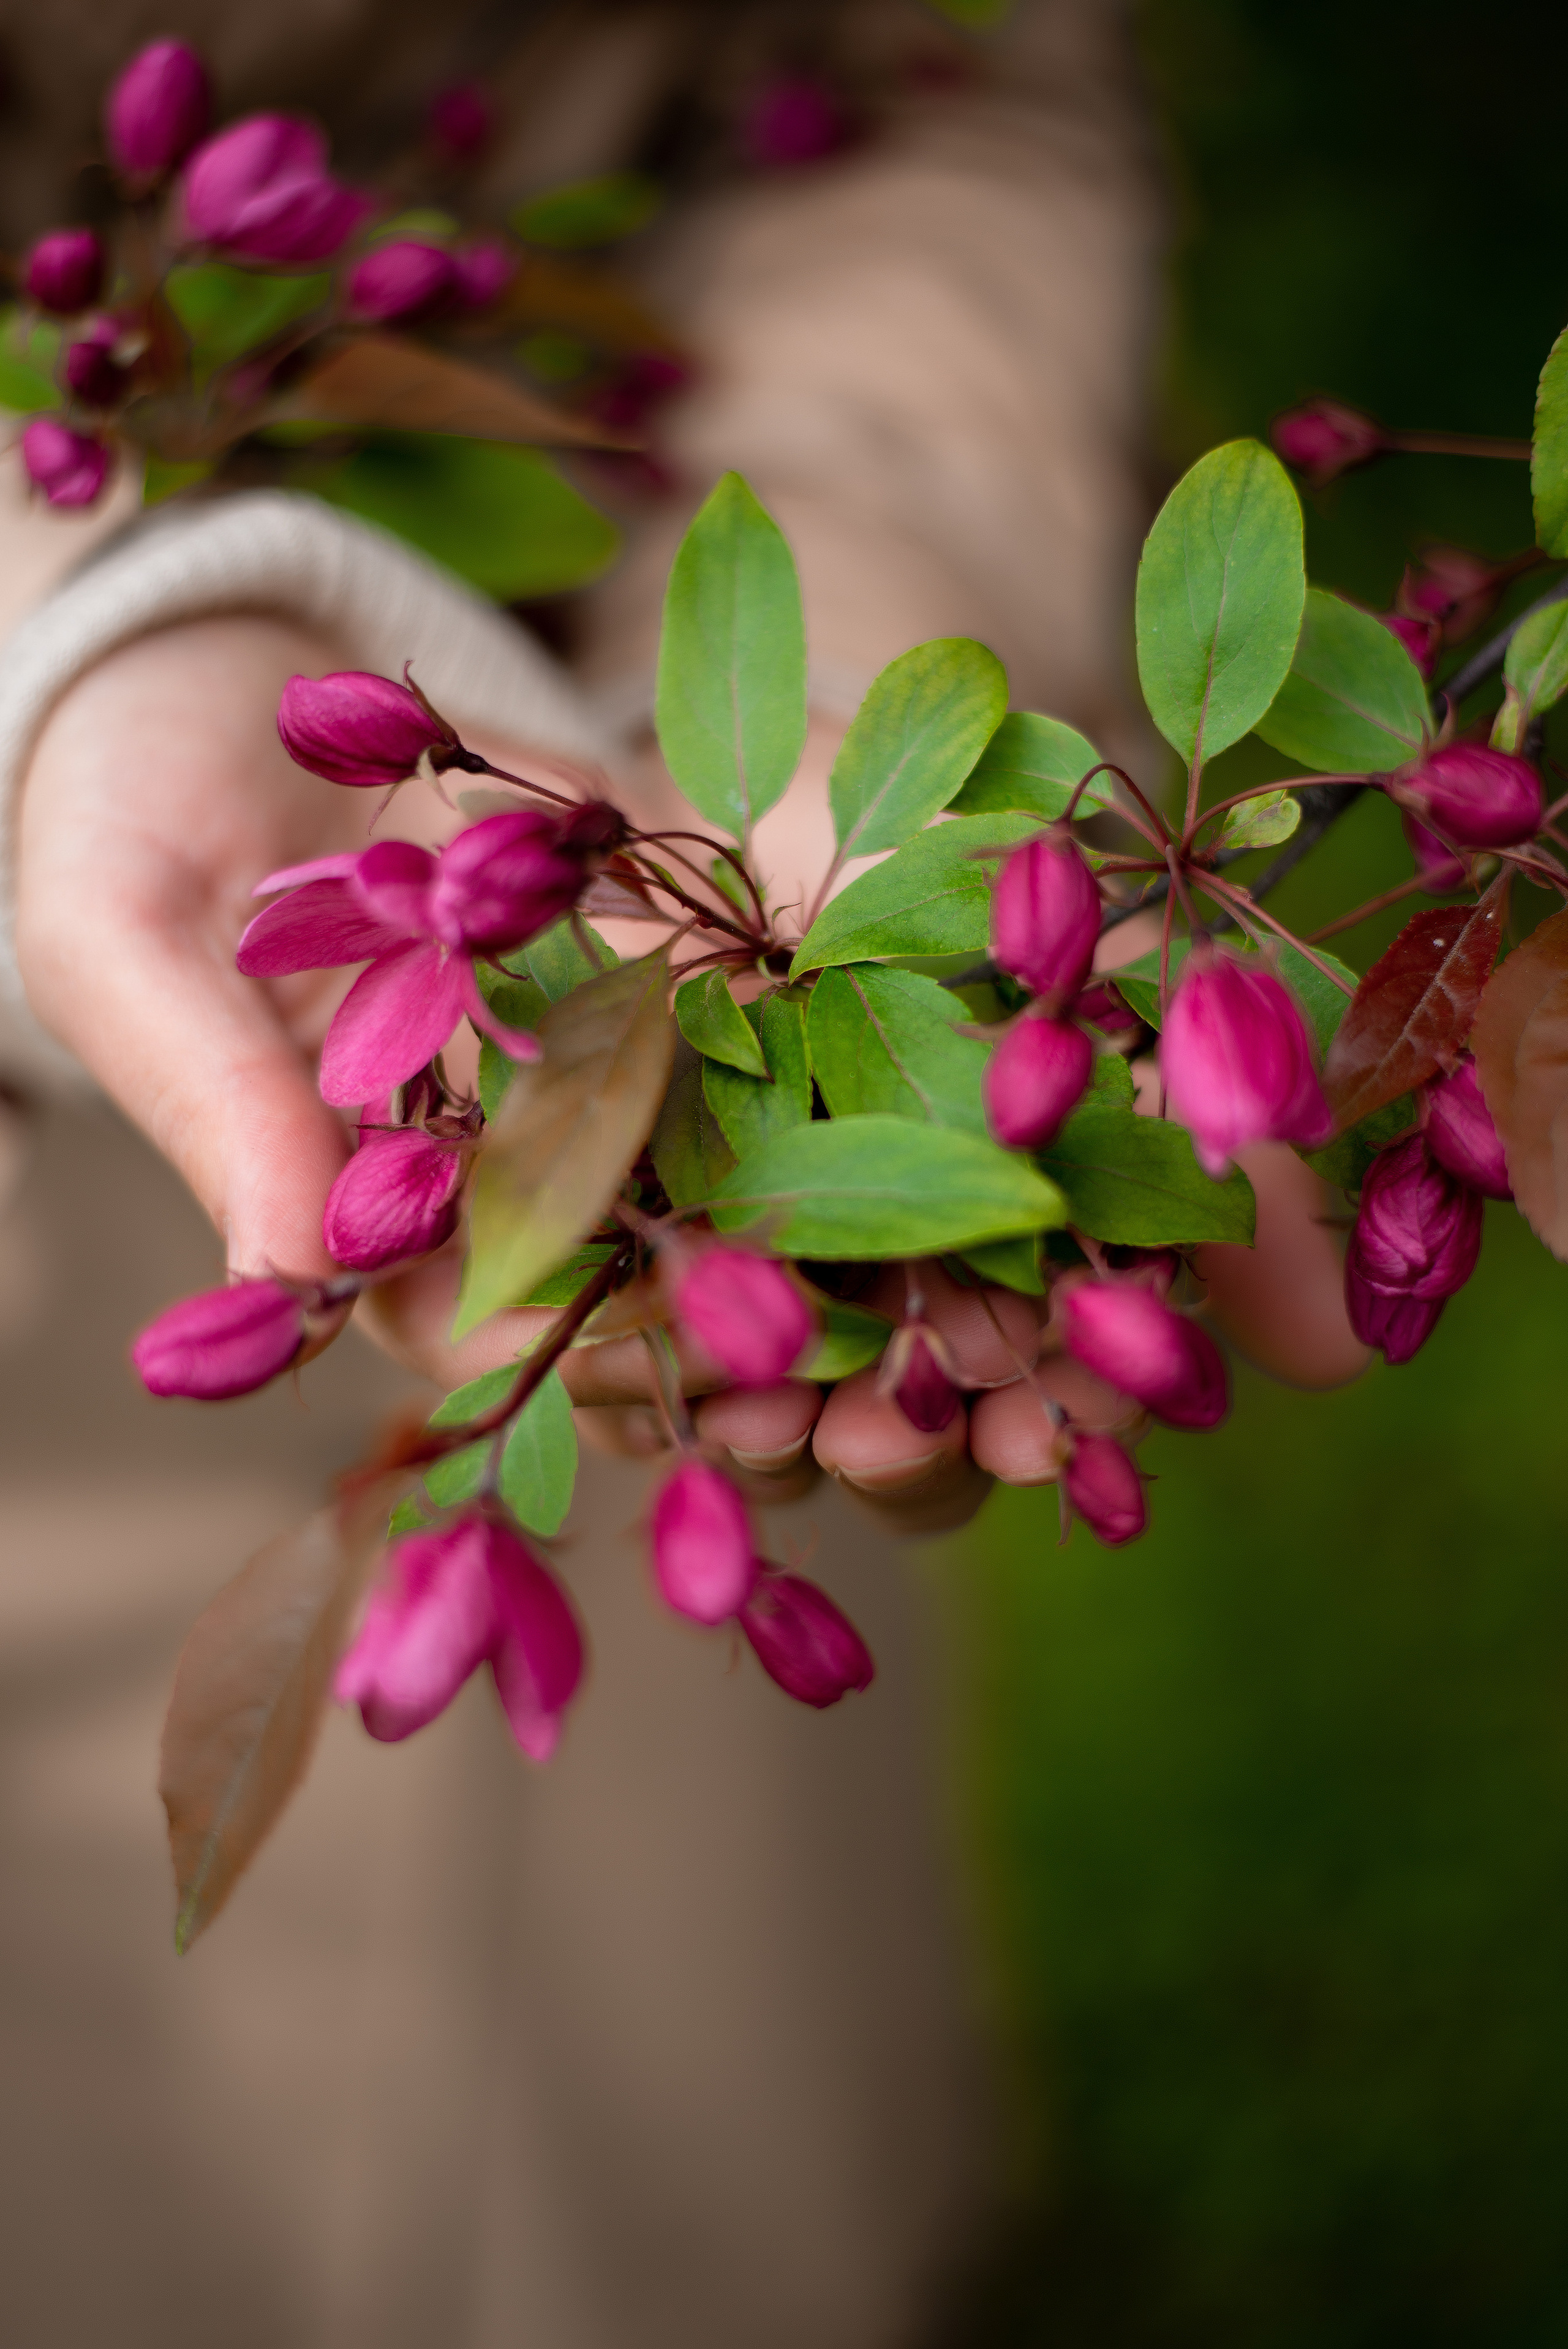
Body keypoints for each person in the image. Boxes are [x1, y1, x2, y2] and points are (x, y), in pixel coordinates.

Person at [0, 3, 1366, 2342]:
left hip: (652, 916)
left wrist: (846, 685)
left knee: (681, 2085)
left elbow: (943, 94)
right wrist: (71, 629)